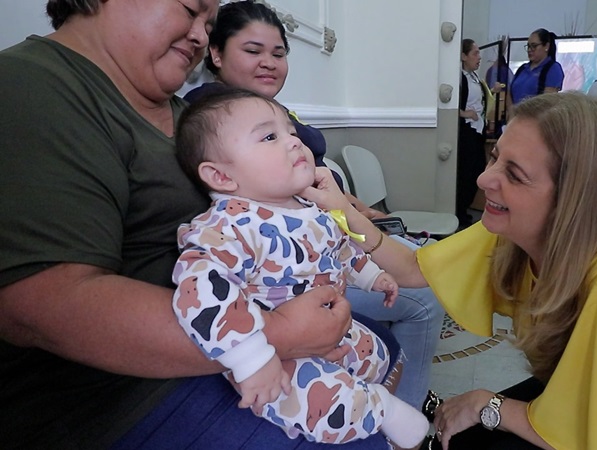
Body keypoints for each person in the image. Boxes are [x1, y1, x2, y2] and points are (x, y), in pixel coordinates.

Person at [0, 1, 402, 449]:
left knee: (384, 350)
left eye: (208, 23)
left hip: (234, 330)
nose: (199, 35)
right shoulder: (31, 86)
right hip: (122, 398)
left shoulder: (184, 113)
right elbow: (43, 306)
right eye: (190, 9)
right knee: (362, 432)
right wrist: (275, 336)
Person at [303, 92, 597, 450]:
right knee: (458, 437)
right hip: (581, 393)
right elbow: (413, 267)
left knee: (470, 432)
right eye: (495, 158)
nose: (485, 179)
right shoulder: (512, 233)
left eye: (515, 174)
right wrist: (342, 209)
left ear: (572, 199)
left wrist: (486, 404)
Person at [182, 0, 444, 410]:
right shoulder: (209, 122)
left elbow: (316, 185)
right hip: (295, 270)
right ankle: (408, 409)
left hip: (329, 226)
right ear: (215, 53)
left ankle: (394, 399)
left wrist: (354, 208)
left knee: (414, 266)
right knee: (426, 293)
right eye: (252, 50)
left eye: (278, 53)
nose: (269, 63)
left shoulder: (274, 112)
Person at [172, 90, 428, 447]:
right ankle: (378, 410)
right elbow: (200, 292)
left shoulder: (307, 206)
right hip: (272, 348)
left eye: (291, 132)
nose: (294, 142)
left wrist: (372, 276)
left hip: (331, 324)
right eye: (269, 137)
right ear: (221, 176)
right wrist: (252, 358)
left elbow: (339, 248)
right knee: (306, 398)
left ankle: (368, 391)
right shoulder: (228, 226)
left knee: (375, 352)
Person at [456, 38, 492, 228]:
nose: (479, 57)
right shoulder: (460, 79)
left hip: (478, 130)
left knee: (477, 170)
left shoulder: (474, 77)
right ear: (464, 56)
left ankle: (463, 209)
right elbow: (452, 106)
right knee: (467, 173)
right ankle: (459, 212)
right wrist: (464, 113)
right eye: (475, 53)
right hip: (468, 131)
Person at [507, 28, 564, 121]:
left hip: (536, 120)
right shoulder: (522, 68)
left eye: (534, 46)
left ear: (546, 46)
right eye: (528, 46)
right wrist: (511, 112)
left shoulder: (553, 68)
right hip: (516, 119)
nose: (530, 50)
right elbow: (510, 92)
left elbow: (548, 101)